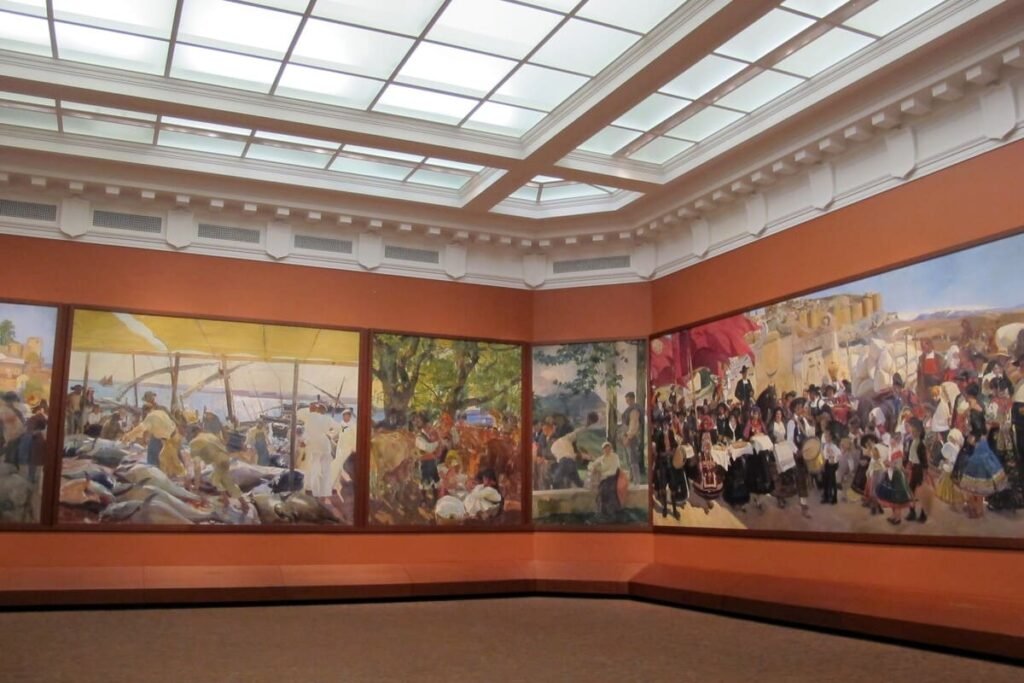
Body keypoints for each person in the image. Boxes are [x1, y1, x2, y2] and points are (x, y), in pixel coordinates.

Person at [188, 431, 249, 514]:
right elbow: (222, 446)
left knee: (219, 480)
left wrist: (196, 486)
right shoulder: (209, 435)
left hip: (219, 462)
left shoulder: (194, 443)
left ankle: (237, 503)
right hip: (224, 459)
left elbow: (197, 466)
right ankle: (231, 501)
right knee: (222, 480)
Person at [121, 406, 185, 478]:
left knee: (166, 459)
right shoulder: (160, 413)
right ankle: (172, 475)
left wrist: (128, 436)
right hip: (173, 437)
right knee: (168, 459)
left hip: (169, 439)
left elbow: (141, 428)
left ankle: (176, 476)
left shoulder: (151, 417)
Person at [960, 425, 1008, 518]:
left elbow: (967, 448)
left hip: (973, 466)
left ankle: (973, 508)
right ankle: (978, 509)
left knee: (971, 490)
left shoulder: (972, 437)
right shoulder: (984, 438)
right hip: (983, 466)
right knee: (980, 491)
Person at [296, 403, 336, 505]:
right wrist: (330, 435)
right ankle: (323, 494)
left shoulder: (311, 417)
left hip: (315, 447)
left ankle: (314, 493)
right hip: (325, 447)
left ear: (317, 410)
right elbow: (339, 428)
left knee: (314, 470)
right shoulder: (328, 419)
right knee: (325, 471)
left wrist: (305, 442)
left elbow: (309, 433)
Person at [588, 441, 622, 518]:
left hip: (613, 477)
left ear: (611, 448)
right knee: (601, 491)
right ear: (603, 450)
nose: (607, 450)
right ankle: (602, 511)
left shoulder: (615, 457)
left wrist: (603, 474)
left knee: (608, 490)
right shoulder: (602, 458)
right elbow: (591, 465)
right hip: (605, 478)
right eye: (605, 448)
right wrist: (594, 468)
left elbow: (614, 470)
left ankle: (612, 511)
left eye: (608, 448)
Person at [904, 418, 929, 522]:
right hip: (912, 468)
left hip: (919, 469)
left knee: (920, 493)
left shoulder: (921, 445)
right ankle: (912, 512)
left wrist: (924, 473)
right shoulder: (911, 441)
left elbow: (924, 461)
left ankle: (923, 514)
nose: (912, 433)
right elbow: (909, 456)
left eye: (915, 432)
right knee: (911, 491)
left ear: (919, 432)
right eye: (912, 431)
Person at [619, 391, 643, 478]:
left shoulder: (634, 410)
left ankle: (636, 480)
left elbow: (634, 426)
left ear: (633, 399)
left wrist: (628, 438)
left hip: (632, 437)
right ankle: (633, 478)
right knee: (631, 460)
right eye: (626, 400)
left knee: (633, 460)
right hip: (628, 436)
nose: (627, 402)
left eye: (628, 400)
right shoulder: (630, 409)